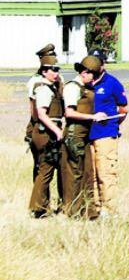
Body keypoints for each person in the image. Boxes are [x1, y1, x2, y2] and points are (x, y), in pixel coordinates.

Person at [61, 55, 106, 219]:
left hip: (85, 134)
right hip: (75, 134)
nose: (94, 79)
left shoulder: (85, 87)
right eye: (93, 75)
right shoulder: (72, 88)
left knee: (87, 172)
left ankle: (87, 210)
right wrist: (92, 117)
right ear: (85, 72)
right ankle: (73, 210)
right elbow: (70, 112)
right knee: (75, 173)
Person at [86, 50, 128, 217]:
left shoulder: (112, 83)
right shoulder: (85, 82)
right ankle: (94, 207)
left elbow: (124, 109)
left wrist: (112, 126)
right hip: (88, 133)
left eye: (99, 61)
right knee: (91, 172)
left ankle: (109, 209)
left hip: (106, 133)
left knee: (106, 172)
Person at [28, 52, 65, 218]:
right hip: (45, 132)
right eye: (52, 69)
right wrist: (57, 130)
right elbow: (41, 114)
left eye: (57, 69)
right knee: (45, 169)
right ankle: (38, 207)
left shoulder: (52, 86)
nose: (56, 73)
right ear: (44, 71)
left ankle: (40, 206)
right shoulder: (43, 89)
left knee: (46, 169)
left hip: (48, 130)